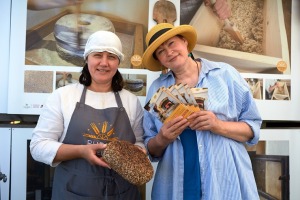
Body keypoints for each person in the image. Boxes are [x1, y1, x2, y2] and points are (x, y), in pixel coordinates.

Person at [142, 23, 262, 200]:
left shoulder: (225, 74)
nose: (168, 52)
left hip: (224, 177)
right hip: (176, 180)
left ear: (184, 42)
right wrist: (162, 138)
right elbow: (150, 149)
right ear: (159, 60)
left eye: (172, 43)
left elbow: (252, 129)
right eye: (160, 51)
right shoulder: (157, 89)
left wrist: (217, 125)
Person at [30, 30, 145, 199]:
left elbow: (139, 143)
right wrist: (81, 151)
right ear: (87, 58)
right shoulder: (63, 96)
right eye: (98, 55)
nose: (104, 63)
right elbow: (38, 147)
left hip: (122, 192)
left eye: (111, 57)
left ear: (118, 62)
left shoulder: (131, 101)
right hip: (74, 191)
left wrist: (137, 152)